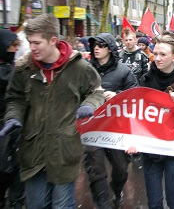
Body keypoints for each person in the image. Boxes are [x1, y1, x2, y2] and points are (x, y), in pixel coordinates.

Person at [2, 13, 105, 208]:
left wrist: (89, 105)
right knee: (37, 204)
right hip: (33, 150)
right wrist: (13, 116)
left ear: (53, 40)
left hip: (64, 150)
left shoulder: (79, 68)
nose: (32, 47)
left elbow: (97, 92)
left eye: (37, 43)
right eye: (30, 42)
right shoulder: (24, 69)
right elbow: (15, 98)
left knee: (62, 204)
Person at [127, 34, 174, 209]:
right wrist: (134, 141)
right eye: (155, 53)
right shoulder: (146, 79)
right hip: (151, 149)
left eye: (162, 54)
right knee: (154, 203)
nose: (157, 58)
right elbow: (139, 115)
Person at [84, 33, 138, 209]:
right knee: (95, 168)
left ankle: (116, 190)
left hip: (116, 128)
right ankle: (102, 203)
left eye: (101, 45)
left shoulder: (123, 71)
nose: (96, 48)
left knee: (121, 167)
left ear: (111, 48)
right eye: (94, 45)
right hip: (92, 127)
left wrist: (117, 96)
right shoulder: (85, 69)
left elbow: (135, 94)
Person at [0, 29, 24, 209]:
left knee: (18, 169)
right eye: (12, 45)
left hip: (17, 127)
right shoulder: (13, 71)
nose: (16, 49)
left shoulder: (15, 68)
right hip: (4, 129)